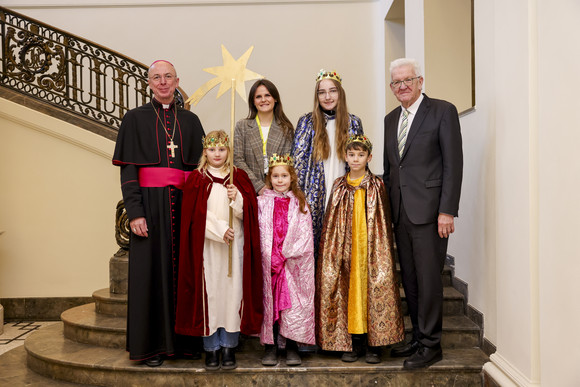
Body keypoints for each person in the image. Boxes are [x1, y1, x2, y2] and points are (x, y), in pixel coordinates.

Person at [112, 60, 205, 367]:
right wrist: (135, 213)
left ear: (177, 81)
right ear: (148, 83)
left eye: (168, 77)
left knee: (184, 275)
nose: (163, 82)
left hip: (184, 206)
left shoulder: (190, 121)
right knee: (150, 277)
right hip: (149, 209)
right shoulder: (134, 119)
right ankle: (151, 347)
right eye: (156, 78)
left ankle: (185, 345)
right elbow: (129, 172)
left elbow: (201, 170)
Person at [383, 58, 463, 369]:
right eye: (396, 83)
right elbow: (392, 172)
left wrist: (447, 210)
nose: (402, 86)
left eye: (407, 80)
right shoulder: (391, 119)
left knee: (429, 280)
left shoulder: (443, 111)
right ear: (392, 88)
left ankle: (432, 345)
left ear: (420, 81)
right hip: (401, 214)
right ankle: (418, 337)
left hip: (431, 214)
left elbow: (453, 165)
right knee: (412, 281)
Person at [175, 130, 263, 371]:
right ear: (205, 152)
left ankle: (228, 347)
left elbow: (250, 215)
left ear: (228, 152)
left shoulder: (239, 178)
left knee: (232, 294)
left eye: (222, 149)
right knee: (210, 295)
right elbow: (194, 216)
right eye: (212, 150)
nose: (217, 154)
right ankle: (211, 348)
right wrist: (220, 230)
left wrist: (239, 200)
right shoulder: (196, 179)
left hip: (235, 248)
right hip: (207, 250)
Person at [317, 135, 405, 363]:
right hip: (346, 249)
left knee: (369, 287)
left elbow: (383, 222)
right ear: (345, 157)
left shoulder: (377, 185)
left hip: (369, 249)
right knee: (348, 288)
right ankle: (352, 341)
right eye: (352, 155)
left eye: (361, 155)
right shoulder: (338, 185)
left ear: (369, 157)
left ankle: (373, 344)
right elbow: (331, 221)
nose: (356, 159)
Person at [292, 70, 364, 256]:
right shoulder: (307, 122)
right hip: (314, 195)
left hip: (344, 191)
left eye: (332, 91)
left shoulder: (353, 123)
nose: (327, 96)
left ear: (340, 93)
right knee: (315, 245)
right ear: (317, 96)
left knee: (342, 245)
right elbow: (297, 163)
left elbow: (360, 160)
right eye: (322, 92)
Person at [257, 154, 315, 367]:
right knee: (270, 306)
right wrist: (269, 256)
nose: (280, 180)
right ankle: (270, 347)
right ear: (269, 178)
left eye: (284, 176)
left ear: (291, 178)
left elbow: (305, 234)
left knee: (290, 306)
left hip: (291, 265)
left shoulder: (300, 203)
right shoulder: (262, 202)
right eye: (275, 176)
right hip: (269, 265)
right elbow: (259, 231)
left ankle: (292, 347)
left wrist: (286, 255)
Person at [234, 79, 294, 194]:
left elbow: (288, 164)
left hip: (278, 191)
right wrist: (259, 186)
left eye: (267, 95)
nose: (263, 100)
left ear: (275, 99)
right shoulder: (242, 126)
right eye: (258, 97)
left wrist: (273, 187)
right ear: (253, 101)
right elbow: (237, 160)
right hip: (248, 191)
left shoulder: (286, 129)